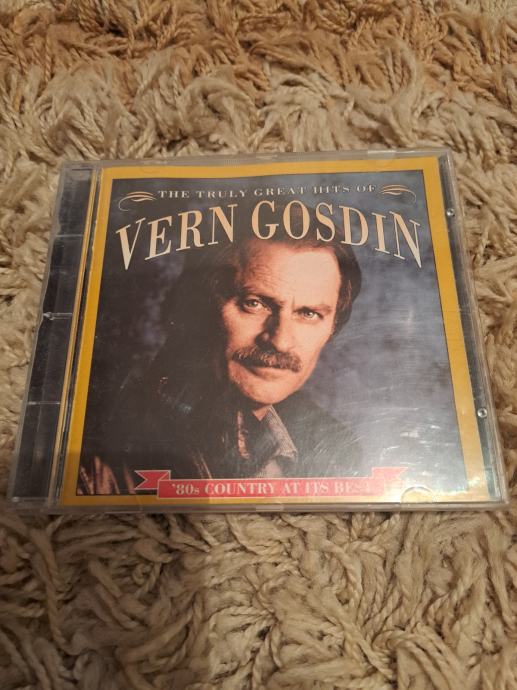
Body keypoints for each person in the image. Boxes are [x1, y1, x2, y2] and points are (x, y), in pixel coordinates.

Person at [78, 208, 363, 494]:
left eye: (309, 313)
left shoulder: (338, 453)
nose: (280, 341)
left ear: (333, 326)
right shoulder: (97, 462)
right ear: (201, 305)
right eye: (254, 303)